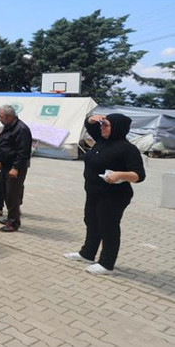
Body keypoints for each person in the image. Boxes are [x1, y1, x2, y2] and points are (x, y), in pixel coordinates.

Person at [63, 113, 145, 275]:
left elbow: (139, 175)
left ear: (116, 128)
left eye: (105, 125)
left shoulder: (127, 149)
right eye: (102, 125)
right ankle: (87, 254)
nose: (101, 128)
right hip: (94, 192)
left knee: (108, 227)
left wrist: (120, 175)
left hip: (113, 196)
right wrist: (92, 119)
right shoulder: (102, 140)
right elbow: (90, 125)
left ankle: (107, 264)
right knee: (91, 221)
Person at [0, 104, 32, 232]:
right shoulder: (8, 127)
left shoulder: (21, 129)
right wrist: (0, 161)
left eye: (1, 116)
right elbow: (6, 147)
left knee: (13, 194)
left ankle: (14, 222)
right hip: (6, 165)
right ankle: (11, 217)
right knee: (5, 192)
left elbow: (23, 152)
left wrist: (15, 167)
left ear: (10, 117)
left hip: (15, 167)